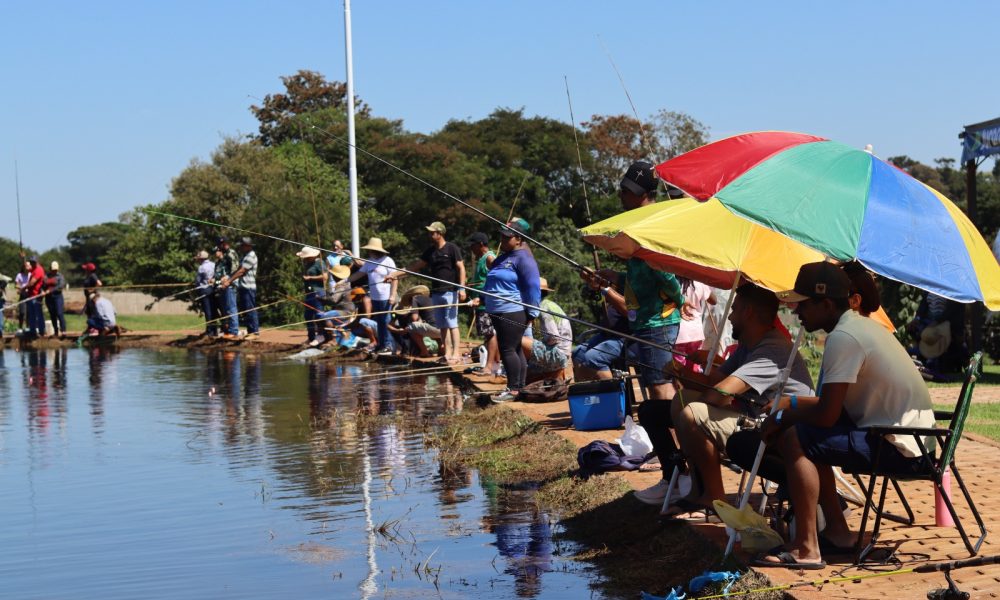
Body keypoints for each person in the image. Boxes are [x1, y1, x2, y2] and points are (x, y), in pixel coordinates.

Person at [750, 261, 934, 570]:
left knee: (795, 437)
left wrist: (784, 414)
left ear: (825, 304)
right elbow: (830, 410)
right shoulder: (862, 326)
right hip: (916, 442)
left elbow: (826, 414)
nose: (796, 311)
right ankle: (838, 532)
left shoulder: (844, 337)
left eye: (803, 304)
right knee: (807, 433)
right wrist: (790, 408)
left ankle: (807, 548)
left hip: (902, 448)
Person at [651, 284, 814, 516]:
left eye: (734, 309)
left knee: (692, 413)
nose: (729, 316)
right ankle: (698, 491)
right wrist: (682, 373)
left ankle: (714, 498)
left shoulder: (772, 348)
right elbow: (714, 381)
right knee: (682, 399)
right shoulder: (750, 343)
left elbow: (719, 394)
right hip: (757, 420)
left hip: (782, 432)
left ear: (748, 312)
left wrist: (704, 393)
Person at [389, 221, 467, 363]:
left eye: (432, 233)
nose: (429, 235)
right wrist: (394, 275)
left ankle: (456, 353)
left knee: (452, 323)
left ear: (440, 233)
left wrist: (462, 288)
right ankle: (447, 353)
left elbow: (461, 267)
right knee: (442, 325)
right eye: (429, 233)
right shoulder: (430, 251)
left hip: (451, 292)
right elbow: (413, 267)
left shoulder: (452, 248)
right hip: (436, 293)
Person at [483, 219, 541, 402]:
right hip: (497, 310)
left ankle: (513, 389)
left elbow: (533, 287)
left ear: (518, 239)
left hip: (512, 310)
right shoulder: (503, 257)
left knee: (507, 349)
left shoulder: (524, 258)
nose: (502, 240)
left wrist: (532, 313)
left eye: (507, 237)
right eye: (501, 236)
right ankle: (520, 387)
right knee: (515, 348)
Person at [349, 237, 397, 355]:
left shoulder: (388, 260)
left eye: (370, 250)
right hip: (375, 298)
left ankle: (390, 346)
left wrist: (392, 295)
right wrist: (345, 280)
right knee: (379, 322)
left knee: (386, 321)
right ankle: (381, 345)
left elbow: (395, 278)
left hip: (385, 298)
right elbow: (359, 274)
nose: (368, 251)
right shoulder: (369, 261)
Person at [518, 277, 573, 381]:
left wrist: (536, 343)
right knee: (528, 375)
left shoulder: (543, 308)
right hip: (563, 353)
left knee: (515, 339)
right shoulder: (548, 304)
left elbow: (554, 337)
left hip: (558, 354)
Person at [467, 232, 500, 375]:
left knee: (490, 334)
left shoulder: (489, 258)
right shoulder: (481, 259)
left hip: (487, 304)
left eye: (472, 245)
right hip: (481, 304)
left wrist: (482, 298)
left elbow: (499, 279)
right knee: (488, 334)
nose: (471, 248)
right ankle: (496, 366)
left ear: (480, 244)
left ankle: (489, 367)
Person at [674, 278, 717, 371]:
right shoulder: (699, 282)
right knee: (693, 367)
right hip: (696, 333)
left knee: (678, 368)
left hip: (679, 333)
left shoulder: (674, 282)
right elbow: (714, 300)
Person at [228, 237, 260, 340]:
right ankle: (250, 331)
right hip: (244, 286)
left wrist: (229, 281)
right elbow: (238, 270)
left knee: (250, 309)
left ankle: (254, 332)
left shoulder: (251, 256)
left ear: (248, 246)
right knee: (247, 309)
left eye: (242, 245)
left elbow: (241, 271)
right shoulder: (245, 256)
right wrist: (228, 278)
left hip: (248, 287)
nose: (240, 247)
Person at [397, 285, 441, 357]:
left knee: (410, 327)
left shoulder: (415, 299)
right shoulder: (431, 298)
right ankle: (442, 349)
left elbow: (414, 318)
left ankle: (424, 351)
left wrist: (411, 313)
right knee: (432, 328)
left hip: (434, 329)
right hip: (443, 329)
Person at [297, 246, 327, 347]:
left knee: (319, 315)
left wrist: (310, 277)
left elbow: (325, 277)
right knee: (308, 316)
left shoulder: (320, 263)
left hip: (318, 292)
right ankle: (311, 337)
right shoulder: (307, 264)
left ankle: (321, 336)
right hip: (309, 293)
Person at [214, 238, 240, 340]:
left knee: (231, 308)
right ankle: (229, 330)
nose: (220, 246)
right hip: (225, 284)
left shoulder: (231, 253)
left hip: (231, 284)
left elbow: (235, 269)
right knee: (227, 309)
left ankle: (234, 331)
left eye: (221, 244)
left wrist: (228, 278)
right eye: (220, 244)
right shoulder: (225, 255)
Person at [193, 250, 218, 337]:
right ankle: (214, 330)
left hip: (204, 290)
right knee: (213, 310)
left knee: (208, 311)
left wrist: (196, 287)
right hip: (214, 289)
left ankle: (209, 331)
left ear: (201, 259)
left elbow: (198, 281)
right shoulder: (214, 264)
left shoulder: (201, 267)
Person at [24, 256, 47, 338]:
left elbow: (32, 283)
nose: (31, 263)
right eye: (31, 262)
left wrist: (23, 288)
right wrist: (23, 258)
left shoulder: (38, 270)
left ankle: (41, 331)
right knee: (32, 315)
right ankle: (32, 331)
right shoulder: (33, 269)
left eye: (33, 262)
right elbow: (26, 268)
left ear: (36, 262)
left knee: (38, 314)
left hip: (36, 296)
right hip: (31, 295)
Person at [43, 261, 67, 338]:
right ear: (50, 269)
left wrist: (51, 290)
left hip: (58, 297)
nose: (54, 271)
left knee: (59, 313)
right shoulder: (46, 276)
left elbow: (61, 285)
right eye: (53, 270)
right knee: (52, 315)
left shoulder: (60, 276)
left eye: (55, 270)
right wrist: (43, 291)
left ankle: (63, 330)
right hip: (49, 298)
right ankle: (56, 331)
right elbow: (43, 285)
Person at [15, 261, 30, 332]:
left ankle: (28, 327)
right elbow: (16, 284)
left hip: (29, 294)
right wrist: (20, 288)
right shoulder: (19, 275)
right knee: (22, 312)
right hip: (22, 294)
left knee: (28, 312)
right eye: (26, 267)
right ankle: (20, 327)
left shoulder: (30, 274)